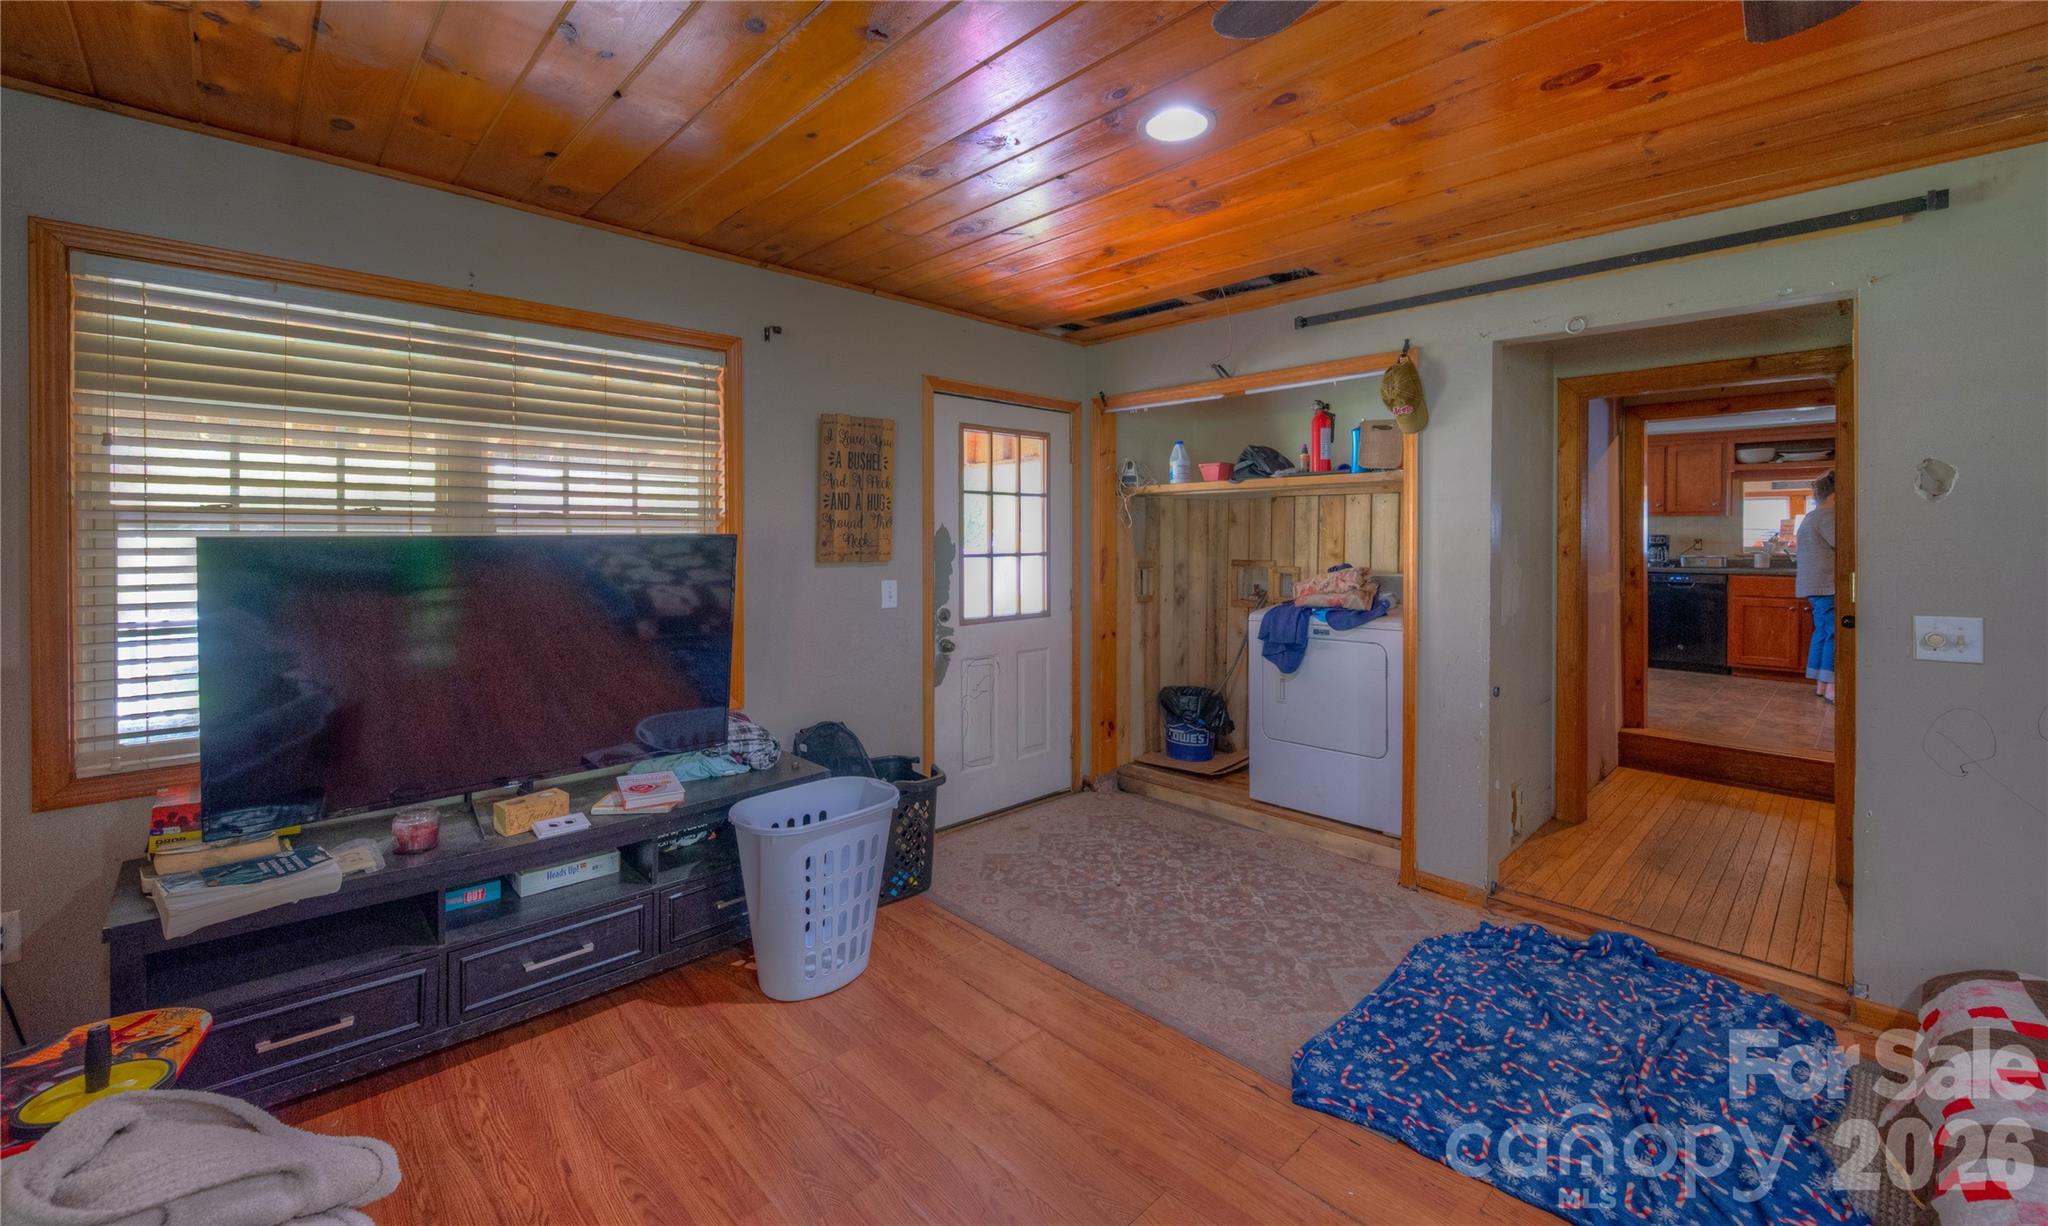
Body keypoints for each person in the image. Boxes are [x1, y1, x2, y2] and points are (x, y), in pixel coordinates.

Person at [1795, 470, 1838, 702]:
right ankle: (1832, 686)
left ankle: (1821, 683)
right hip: (1827, 585)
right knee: (1834, 634)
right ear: (1836, 497)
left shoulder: (1811, 516)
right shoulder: (1827, 517)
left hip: (1813, 586)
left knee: (1822, 632)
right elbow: (1844, 544)